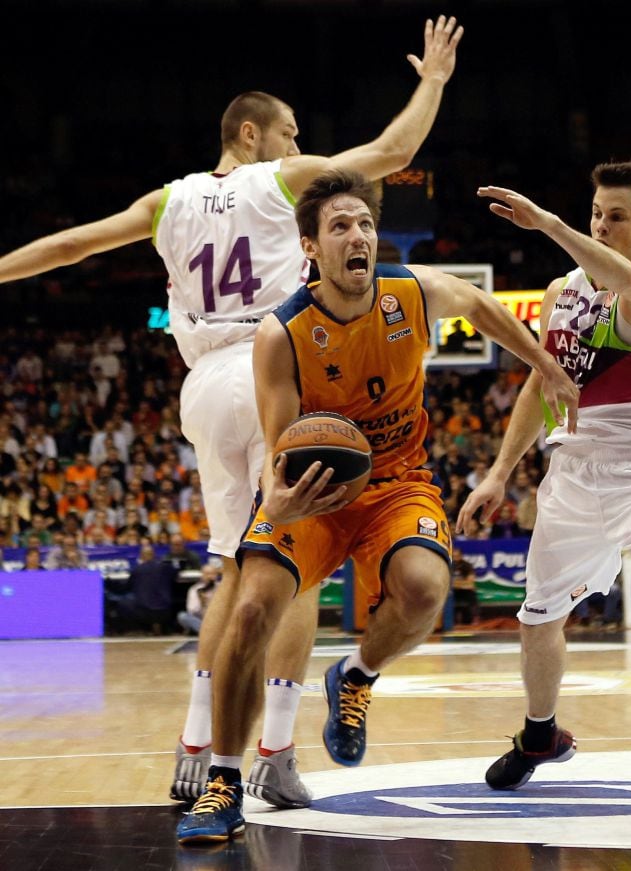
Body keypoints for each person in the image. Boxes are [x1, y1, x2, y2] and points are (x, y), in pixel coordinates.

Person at [0, 15, 465, 809]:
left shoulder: (165, 202)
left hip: (203, 387)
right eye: (287, 133)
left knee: (234, 566)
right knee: (295, 564)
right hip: (275, 361)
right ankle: (276, 749)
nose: (296, 147)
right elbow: (390, 155)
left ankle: (194, 739)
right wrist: (433, 82)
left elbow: (69, 247)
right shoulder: (278, 181)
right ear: (249, 133)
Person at [175, 168, 579, 844]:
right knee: (249, 608)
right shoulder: (283, 333)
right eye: (340, 226)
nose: (358, 235)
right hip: (313, 490)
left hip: (396, 480)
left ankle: (354, 677)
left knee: (425, 589)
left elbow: (482, 309)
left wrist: (547, 364)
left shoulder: (411, 294)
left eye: (365, 224)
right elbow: (279, 456)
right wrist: (279, 497)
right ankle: (222, 779)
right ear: (310, 247)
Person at [457, 160, 631, 815]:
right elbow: (540, 386)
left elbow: (623, 279)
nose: (601, 224)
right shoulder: (561, 293)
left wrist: (545, 223)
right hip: (574, 474)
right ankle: (540, 733)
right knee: (538, 616)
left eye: (617, 216)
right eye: (595, 213)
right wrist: (498, 471)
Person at [178, 562, 221, 635]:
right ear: (202, 575)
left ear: (217, 576)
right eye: (207, 574)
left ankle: (207, 632)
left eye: (213, 574)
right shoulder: (194, 589)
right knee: (182, 616)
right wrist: (202, 602)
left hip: (218, 619)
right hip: (200, 619)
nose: (210, 576)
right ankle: (209, 632)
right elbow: (191, 610)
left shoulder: (222, 587)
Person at [450, 546, 479, 625]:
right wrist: (460, 583)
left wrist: (456, 584)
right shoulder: (448, 565)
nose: (455, 558)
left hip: (465, 593)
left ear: (461, 556)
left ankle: (473, 618)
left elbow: (470, 583)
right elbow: (446, 582)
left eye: (457, 556)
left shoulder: (467, 565)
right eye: (454, 556)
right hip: (453, 593)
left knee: (471, 591)